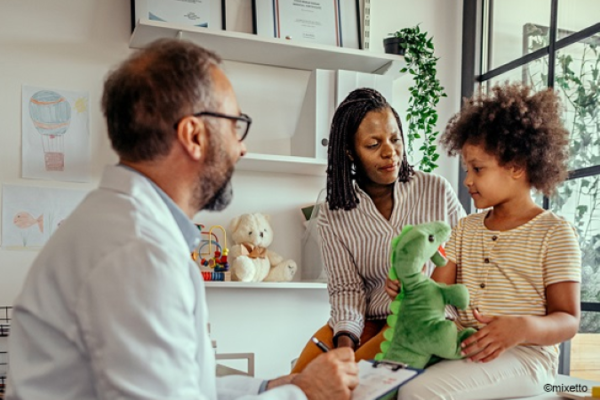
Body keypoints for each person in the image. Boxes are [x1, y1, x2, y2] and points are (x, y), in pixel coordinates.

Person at [6, 39, 359, 400]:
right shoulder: (138, 251)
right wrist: (306, 394)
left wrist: (274, 387)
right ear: (193, 135)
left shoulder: (123, 227)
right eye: (235, 125)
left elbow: (181, 385)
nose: (242, 147)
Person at [396, 83, 581, 400]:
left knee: (418, 392)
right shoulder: (465, 228)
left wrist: (521, 328)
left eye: (478, 169)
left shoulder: (554, 232)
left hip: (527, 358)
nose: (467, 180)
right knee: (384, 378)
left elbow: (568, 320)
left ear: (517, 167)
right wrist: (412, 287)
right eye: (467, 168)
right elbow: (439, 294)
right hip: (466, 346)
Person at [291, 88, 466, 373]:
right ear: (350, 152)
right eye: (373, 144)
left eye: (395, 139)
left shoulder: (436, 190)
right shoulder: (333, 215)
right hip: (366, 321)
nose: (390, 152)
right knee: (300, 378)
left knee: (351, 381)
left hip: (422, 319)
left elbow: (465, 258)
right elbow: (346, 290)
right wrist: (345, 344)